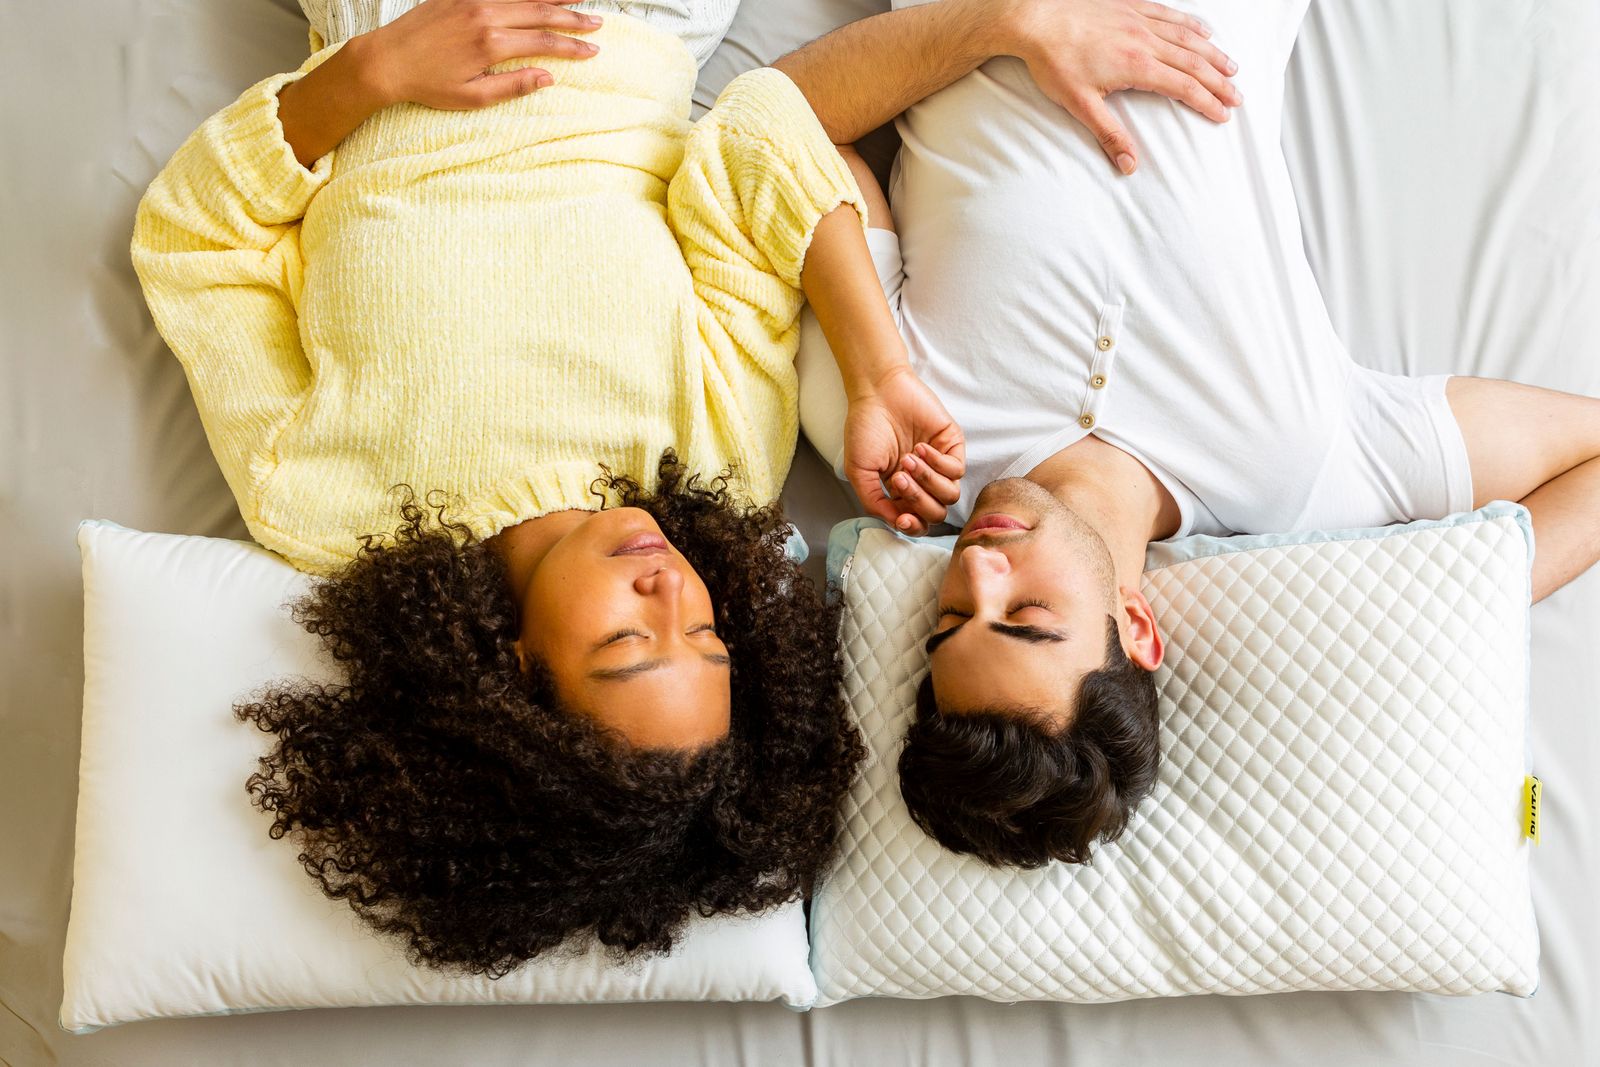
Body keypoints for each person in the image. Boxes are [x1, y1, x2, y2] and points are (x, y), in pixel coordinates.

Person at [130, 0, 950, 976]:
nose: (673, 592)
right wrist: (878, 373)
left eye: (625, 643)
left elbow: (195, 240)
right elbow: (755, 132)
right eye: (705, 635)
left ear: (517, 676)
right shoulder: (719, 458)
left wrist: (369, 74)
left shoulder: (327, 505)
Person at [785, 0, 1600, 868]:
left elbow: (782, 125)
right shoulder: (1300, 469)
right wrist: (1455, 616)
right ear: (1136, 625)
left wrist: (1012, 24)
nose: (977, 567)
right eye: (1026, 614)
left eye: (950, 616)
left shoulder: (897, 438)